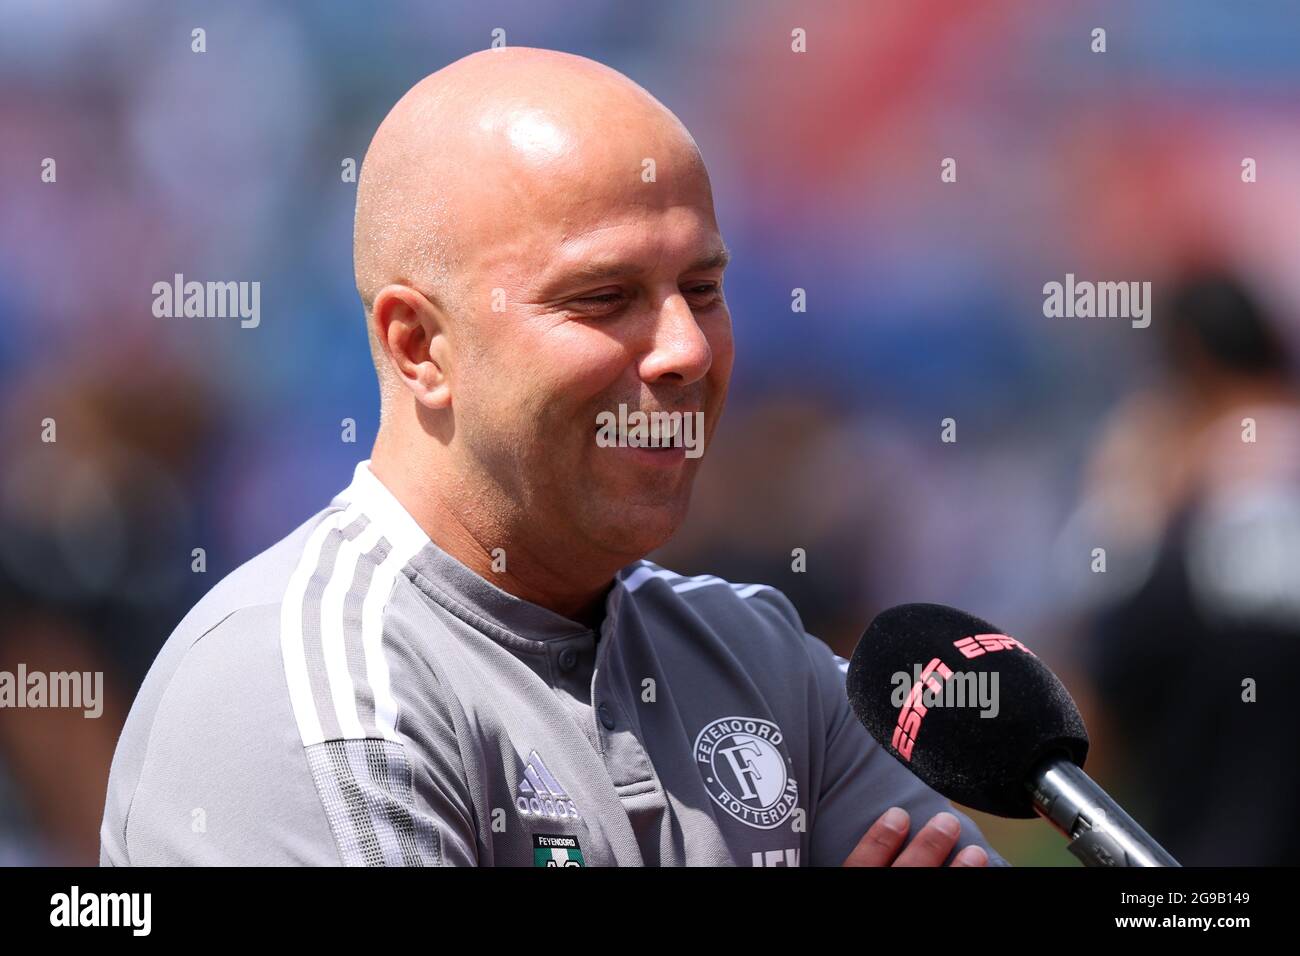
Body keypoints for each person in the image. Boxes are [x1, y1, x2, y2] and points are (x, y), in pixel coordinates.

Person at [100, 47, 1004, 867]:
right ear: (419, 346)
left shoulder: (763, 660)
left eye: (704, 288)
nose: (686, 349)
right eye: (606, 297)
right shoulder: (311, 690)